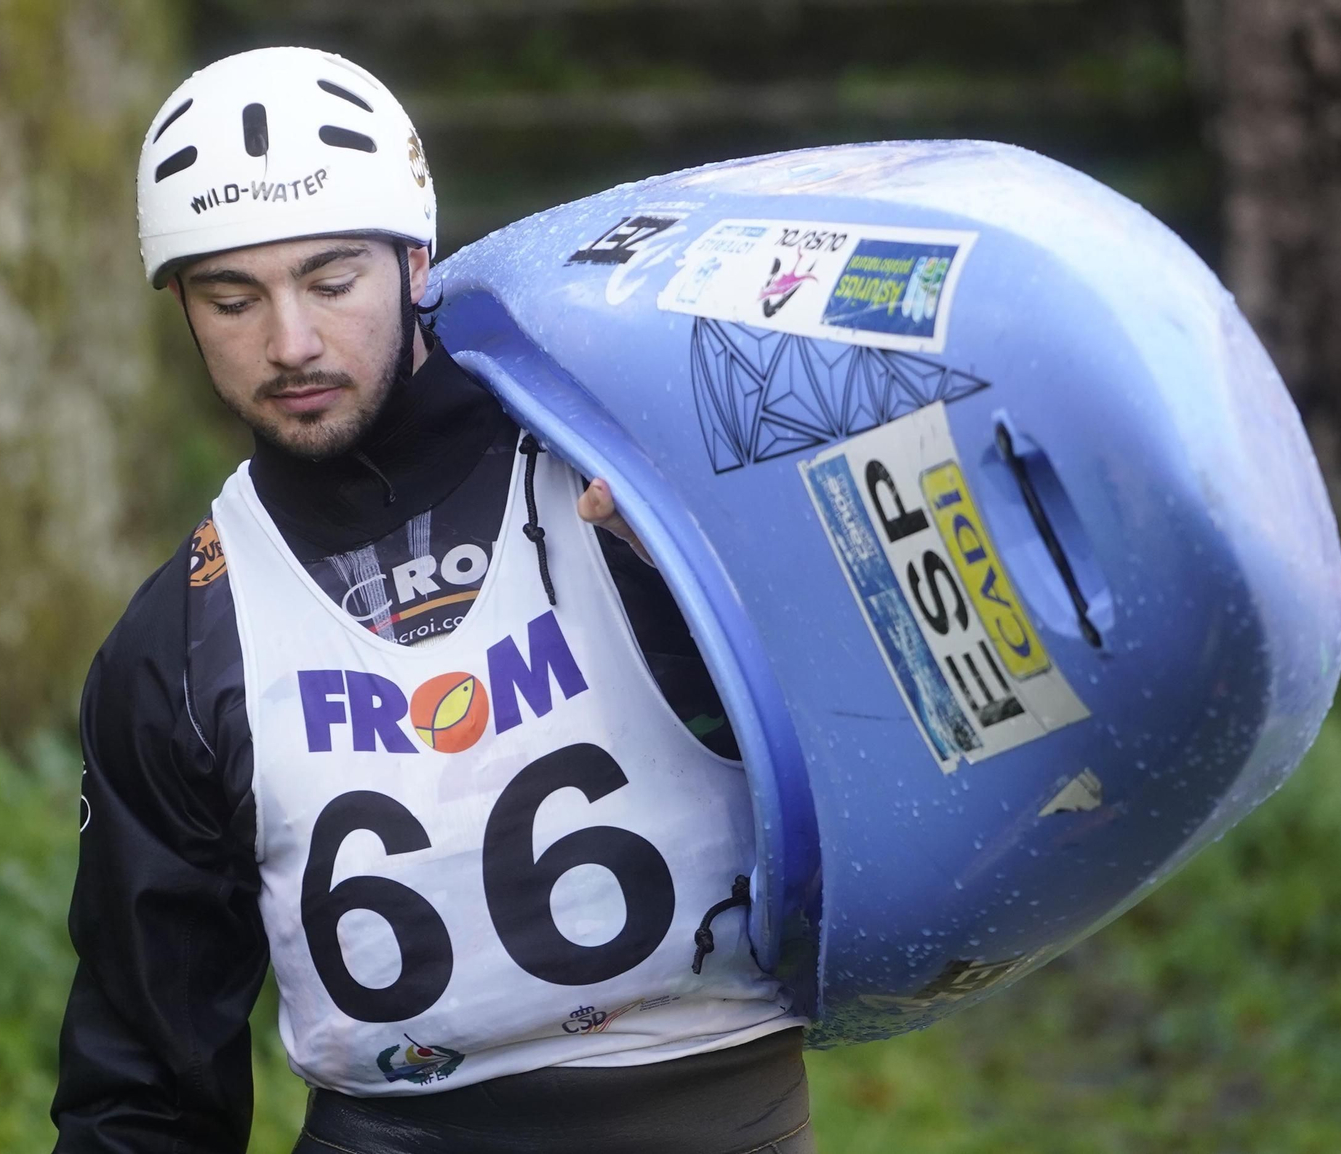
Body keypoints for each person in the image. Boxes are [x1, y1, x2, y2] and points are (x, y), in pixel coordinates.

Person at [51, 46, 813, 1154]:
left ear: (419, 260)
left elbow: (874, 736)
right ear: (180, 306)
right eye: (232, 297)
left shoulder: (617, 481)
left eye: (329, 279)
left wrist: (713, 576)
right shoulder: (174, 644)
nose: (290, 342)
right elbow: (142, 1082)